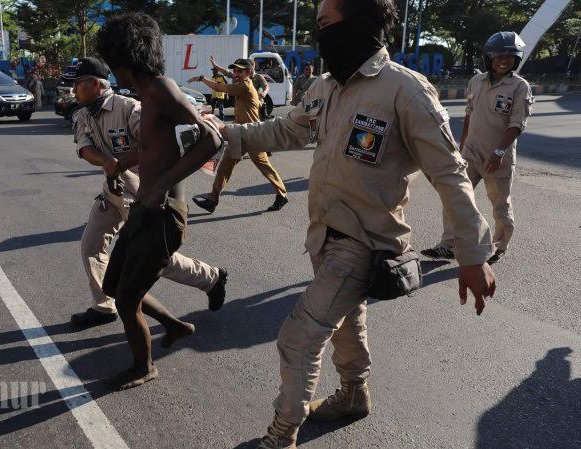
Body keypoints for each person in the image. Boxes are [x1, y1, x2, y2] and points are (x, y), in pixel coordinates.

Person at [211, 1, 497, 447]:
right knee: (347, 321)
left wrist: (473, 255)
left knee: (299, 339)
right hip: (323, 233)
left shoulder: (405, 90)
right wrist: (226, 133)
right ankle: (354, 393)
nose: (319, 34)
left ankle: (282, 434)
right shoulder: (326, 86)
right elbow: (287, 131)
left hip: (364, 241)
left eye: (325, 23)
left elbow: (450, 174)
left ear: (359, 22)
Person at [95, 12, 225, 390]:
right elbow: (152, 147)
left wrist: (161, 185)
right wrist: (120, 163)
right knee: (114, 286)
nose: (112, 73)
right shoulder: (146, 96)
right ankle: (174, 325)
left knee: (126, 300)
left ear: (126, 62)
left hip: (164, 213)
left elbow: (211, 139)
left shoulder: (162, 89)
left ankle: (144, 367)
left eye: (113, 65)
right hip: (145, 208)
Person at [67, 57, 228, 328]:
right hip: (113, 188)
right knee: (91, 246)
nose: (73, 90)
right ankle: (104, 305)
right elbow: (84, 147)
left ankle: (210, 278)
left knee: (150, 257)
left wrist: (119, 164)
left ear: (95, 84)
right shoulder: (84, 113)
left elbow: (153, 144)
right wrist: (107, 162)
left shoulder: (129, 108)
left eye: (78, 84)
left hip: (143, 191)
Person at [421, 31, 533, 265]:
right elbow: (469, 115)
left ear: (516, 60)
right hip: (470, 153)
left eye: (509, 57)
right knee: (454, 196)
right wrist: (461, 147)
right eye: (498, 56)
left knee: (500, 205)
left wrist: (499, 152)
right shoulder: (476, 81)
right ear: (489, 58)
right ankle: (448, 245)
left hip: (497, 157)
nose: (503, 61)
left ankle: (499, 247)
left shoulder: (519, 86)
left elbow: (516, 125)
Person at [188, 58, 289, 214]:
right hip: (239, 133)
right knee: (225, 166)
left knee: (264, 166)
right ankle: (213, 199)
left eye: (240, 71)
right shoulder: (242, 84)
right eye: (234, 71)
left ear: (248, 72)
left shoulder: (244, 86)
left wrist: (201, 78)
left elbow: (219, 87)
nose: (235, 73)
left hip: (252, 134)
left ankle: (282, 194)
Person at [211, 55, 271, 119]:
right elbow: (226, 72)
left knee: (256, 121)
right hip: (242, 104)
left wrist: (264, 93)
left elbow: (266, 86)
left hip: (255, 104)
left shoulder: (258, 77)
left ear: (253, 67)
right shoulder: (240, 75)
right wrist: (215, 66)